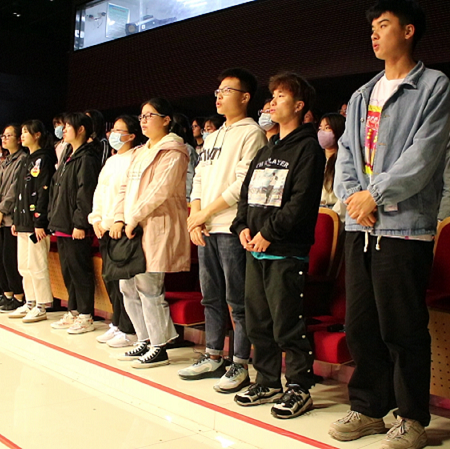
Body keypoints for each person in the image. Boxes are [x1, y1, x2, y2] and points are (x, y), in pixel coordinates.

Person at [331, 1, 450, 446]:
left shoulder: (433, 85)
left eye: (383, 26)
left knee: (402, 327)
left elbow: (423, 155)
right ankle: (368, 408)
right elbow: (346, 153)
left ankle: (412, 418)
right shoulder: (363, 93)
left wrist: (375, 194)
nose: (375, 34)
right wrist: (353, 198)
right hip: (360, 226)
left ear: (409, 30)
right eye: (373, 29)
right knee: (360, 324)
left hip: (404, 227)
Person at [230, 71, 324, 420]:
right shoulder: (266, 149)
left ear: (299, 106)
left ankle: (298, 385)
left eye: (280, 97)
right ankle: (267, 380)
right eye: (271, 97)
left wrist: (269, 232)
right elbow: (246, 195)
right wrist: (242, 226)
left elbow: (300, 203)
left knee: (287, 321)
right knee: (258, 321)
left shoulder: (308, 148)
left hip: (285, 249)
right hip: (255, 247)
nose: (271, 103)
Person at [178, 68, 267, 392]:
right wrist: (196, 215)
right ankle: (213, 354)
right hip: (206, 226)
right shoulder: (214, 136)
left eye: (227, 90)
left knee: (237, 300)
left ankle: (240, 362)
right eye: (218, 91)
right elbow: (199, 178)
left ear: (245, 97)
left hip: (231, 227)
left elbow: (243, 184)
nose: (219, 96)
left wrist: (205, 212)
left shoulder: (252, 133)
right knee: (211, 297)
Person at [109, 98, 190, 368]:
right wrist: (119, 217)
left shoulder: (174, 151)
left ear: (166, 120)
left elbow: (159, 191)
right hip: (131, 226)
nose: (144, 121)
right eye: (141, 116)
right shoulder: (140, 152)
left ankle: (160, 346)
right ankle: (143, 339)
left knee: (149, 287)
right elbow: (124, 189)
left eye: (150, 116)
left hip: (155, 225)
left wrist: (132, 218)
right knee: (127, 285)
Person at [90, 115, 146, 347]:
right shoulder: (111, 160)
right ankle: (117, 323)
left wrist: (118, 220)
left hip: (120, 227)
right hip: (104, 226)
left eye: (118, 130)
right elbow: (100, 191)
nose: (112, 134)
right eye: (112, 130)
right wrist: (96, 218)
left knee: (125, 283)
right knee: (111, 280)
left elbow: (128, 194)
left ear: (131, 135)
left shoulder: (137, 157)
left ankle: (129, 329)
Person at [48, 112, 99, 334]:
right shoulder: (68, 155)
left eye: (68, 126)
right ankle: (74, 310)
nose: (64, 129)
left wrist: (80, 223)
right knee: (68, 271)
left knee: (80, 271)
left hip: (75, 226)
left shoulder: (87, 157)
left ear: (81, 129)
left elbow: (84, 193)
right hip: (62, 222)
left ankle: (86, 315)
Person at [8, 120, 57, 323]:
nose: (22, 135)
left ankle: (41, 305)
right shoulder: (26, 160)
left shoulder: (44, 159)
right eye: (21, 132)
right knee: (24, 265)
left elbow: (44, 192)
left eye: (26, 132)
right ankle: (30, 301)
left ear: (37, 135)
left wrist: (40, 222)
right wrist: (16, 219)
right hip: (23, 221)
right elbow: (20, 192)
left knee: (37, 264)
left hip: (36, 223)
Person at [0, 124, 27, 312]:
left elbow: (14, 190)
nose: (4, 139)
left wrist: (1, 210)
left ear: (18, 139)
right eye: (3, 135)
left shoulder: (22, 160)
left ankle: (18, 296)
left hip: (10, 217)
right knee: (0, 258)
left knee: (10, 259)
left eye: (9, 135)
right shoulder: (3, 162)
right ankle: (7, 293)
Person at [318, 112, 346, 212]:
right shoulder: (316, 158)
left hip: (334, 212)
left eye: (327, 128)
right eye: (320, 128)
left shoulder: (344, 161)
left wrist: (332, 215)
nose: (322, 132)